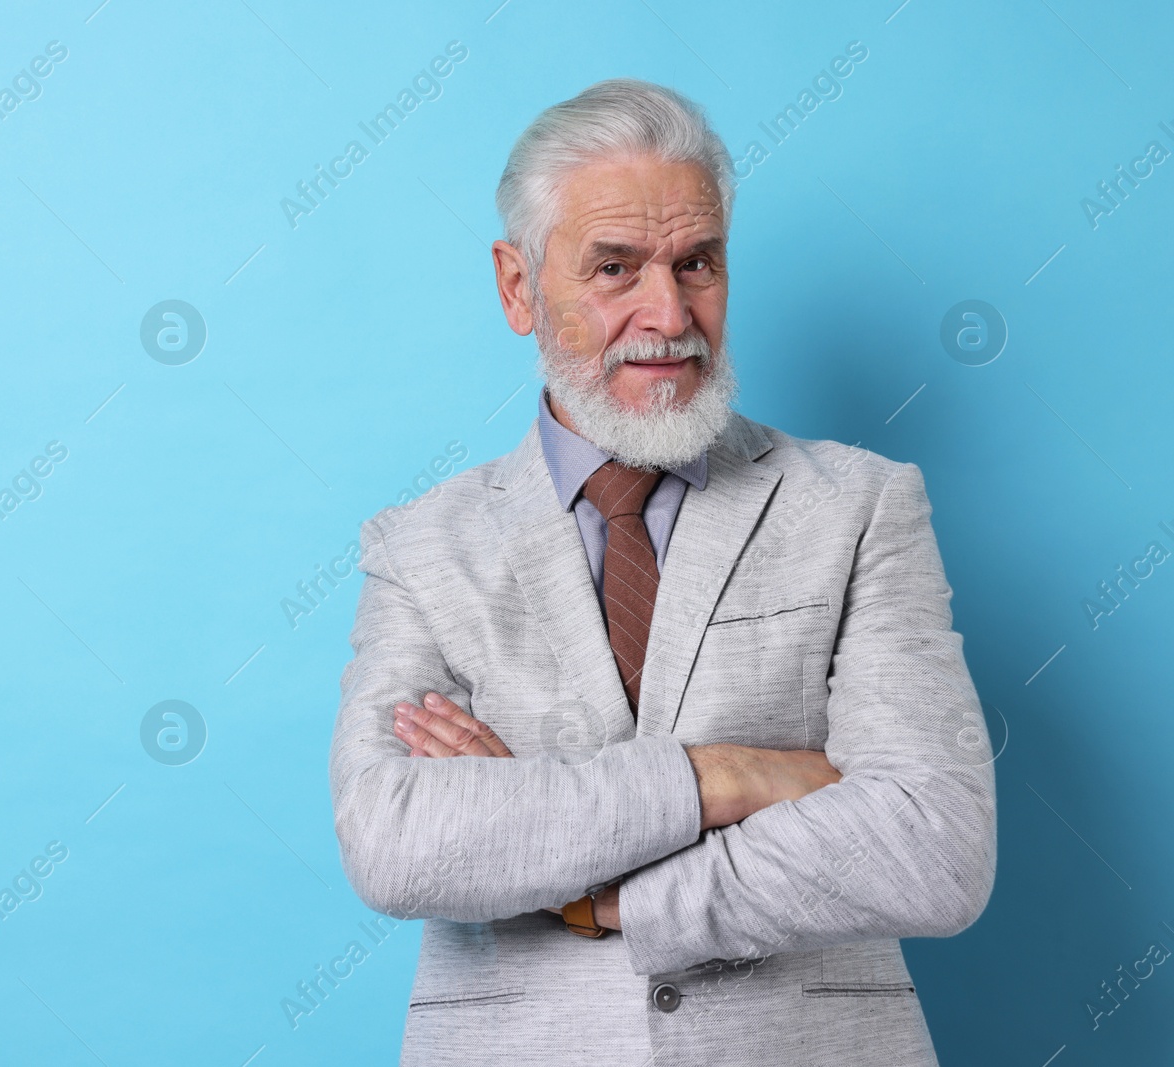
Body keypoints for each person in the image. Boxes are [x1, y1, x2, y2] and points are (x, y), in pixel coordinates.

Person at [328, 78, 996, 1066]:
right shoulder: (419, 545)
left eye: (698, 262)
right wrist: (723, 773)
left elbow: (933, 847)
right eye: (614, 268)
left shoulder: (860, 505)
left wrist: (600, 893)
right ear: (518, 286)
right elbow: (397, 842)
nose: (667, 311)